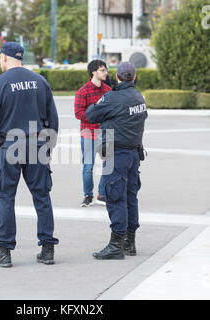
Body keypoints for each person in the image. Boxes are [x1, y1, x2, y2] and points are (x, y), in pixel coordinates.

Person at [0, 42, 59, 268]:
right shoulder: (40, 81)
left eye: (0, 57)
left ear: (5, 58)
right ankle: (47, 249)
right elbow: (52, 118)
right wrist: (49, 146)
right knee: (42, 197)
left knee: (5, 198)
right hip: (37, 144)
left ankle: (4, 252)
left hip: (10, 145)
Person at [86, 62, 148, 260]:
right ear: (135, 76)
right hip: (133, 154)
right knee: (131, 197)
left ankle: (116, 244)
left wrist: (108, 98)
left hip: (117, 154)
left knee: (115, 197)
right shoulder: (139, 97)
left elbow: (91, 114)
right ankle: (130, 241)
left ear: (117, 76)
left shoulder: (112, 97)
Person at [74, 60, 112, 207]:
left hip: (105, 133)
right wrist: (95, 116)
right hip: (88, 135)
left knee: (108, 164)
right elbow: (78, 113)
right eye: (102, 70)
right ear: (94, 72)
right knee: (88, 167)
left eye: (105, 70)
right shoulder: (82, 91)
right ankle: (88, 195)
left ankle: (102, 194)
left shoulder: (108, 90)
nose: (105, 73)